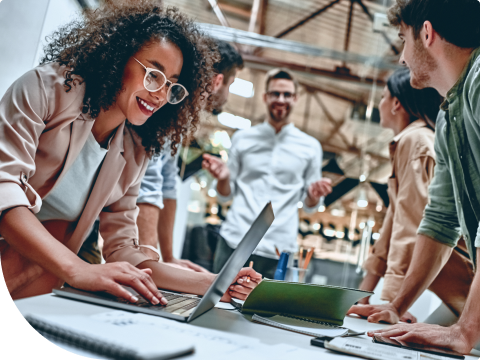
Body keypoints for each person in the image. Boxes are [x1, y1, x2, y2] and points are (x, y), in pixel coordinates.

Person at [0, 1, 260, 304]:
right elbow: (5, 190)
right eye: (153, 75)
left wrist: (215, 283)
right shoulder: (45, 89)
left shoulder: (135, 149)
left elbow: (124, 249)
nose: (160, 94)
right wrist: (79, 269)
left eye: (172, 86)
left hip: (37, 286)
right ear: (118, 57)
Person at [350, 0, 480, 354]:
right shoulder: (448, 117)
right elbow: (440, 220)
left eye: (403, 39)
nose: (402, 58)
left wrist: (464, 331)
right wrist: (397, 305)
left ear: (427, 33)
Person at [349, 68, 474, 323]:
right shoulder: (410, 141)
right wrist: (362, 294)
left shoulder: (415, 141)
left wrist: (394, 303)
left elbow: (411, 224)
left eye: (383, 97)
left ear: (396, 103)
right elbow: (391, 227)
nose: (380, 103)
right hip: (457, 290)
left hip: (468, 287)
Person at [202, 68, 332, 279]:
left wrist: (314, 195)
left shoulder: (311, 147)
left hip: (279, 248)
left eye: (287, 94)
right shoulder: (243, 138)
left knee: (266, 311)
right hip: (235, 240)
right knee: (217, 304)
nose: (281, 99)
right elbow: (225, 194)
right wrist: (224, 178)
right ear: (265, 97)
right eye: (275, 93)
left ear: (296, 98)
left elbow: (310, 207)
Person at [135, 40, 244, 272]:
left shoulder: (182, 118)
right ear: (217, 81)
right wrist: (152, 266)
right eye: (231, 84)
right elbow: (149, 183)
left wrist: (168, 257)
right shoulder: (168, 106)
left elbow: (167, 183)